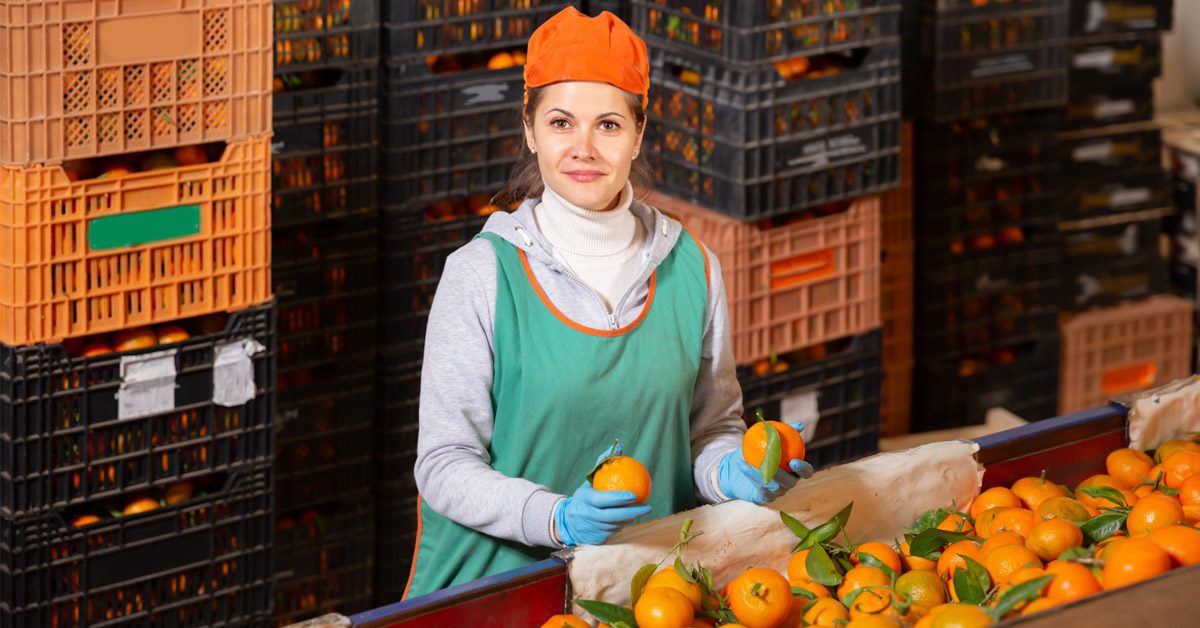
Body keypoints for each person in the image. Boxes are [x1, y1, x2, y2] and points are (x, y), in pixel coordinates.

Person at [404, 7, 814, 599]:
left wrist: (730, 472)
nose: (584, 149)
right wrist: (554, 517)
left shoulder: (693, 267)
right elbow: (444, 463)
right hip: (501, 591)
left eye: (609, 125)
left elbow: (708, 430)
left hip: (643, 591)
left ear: (638, 133)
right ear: (530, 128)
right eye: (562, 122)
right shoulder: (482, 273)